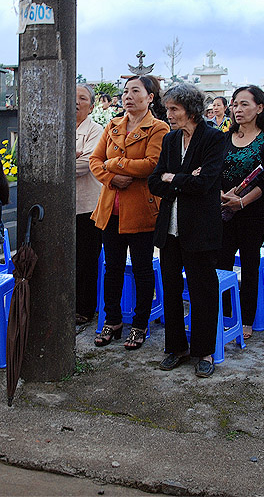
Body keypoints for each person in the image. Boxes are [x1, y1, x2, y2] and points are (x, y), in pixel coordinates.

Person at [149, 83, 225, 377]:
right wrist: (182, 178)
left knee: (202, 290)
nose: (169, 114)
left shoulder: (213, 139)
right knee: (170, 290)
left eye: (174, 109)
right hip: (169, 228)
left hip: (200, 229)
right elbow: (154, 182)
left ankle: (204, 350)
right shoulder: (170, 140)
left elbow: (205, 183)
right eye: (168, 109)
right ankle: (176, 347)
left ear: (191, 110)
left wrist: (173, 179)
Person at [90, 75, 169, 349]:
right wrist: (111, 178)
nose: (128, 96)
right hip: (110, 209)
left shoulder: (158, 128)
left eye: (136, 90)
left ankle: (140, 323)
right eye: (125, 91)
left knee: (142, 269)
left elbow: (151, 164)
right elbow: (95, 161)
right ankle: (112, 320)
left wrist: (116, 163)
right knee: (111, 267)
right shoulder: (112, 125)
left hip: (141, 210)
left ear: (150, 97)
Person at [217, 85, 264, 340]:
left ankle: (247, 318)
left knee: (250, 264)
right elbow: (214, 170)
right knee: (221, 263)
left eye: (244, 104)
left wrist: (242, 202)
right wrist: (223, 196)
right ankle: (223, 313)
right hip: (223, 210)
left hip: (252, 212)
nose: (238, 109)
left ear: (259, 107)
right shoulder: (223, 138)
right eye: (235, 104)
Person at [75, 84, 103, 325]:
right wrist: (72, 156)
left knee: (86, 259)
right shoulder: (59, 128)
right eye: (72, 97)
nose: (76, 101)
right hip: (63, 206)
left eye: (82, 98)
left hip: (88, 205)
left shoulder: (95, 130)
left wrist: (60, 163)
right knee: (67, 257)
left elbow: (86, 164)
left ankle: (85, 308)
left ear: (91, 106)